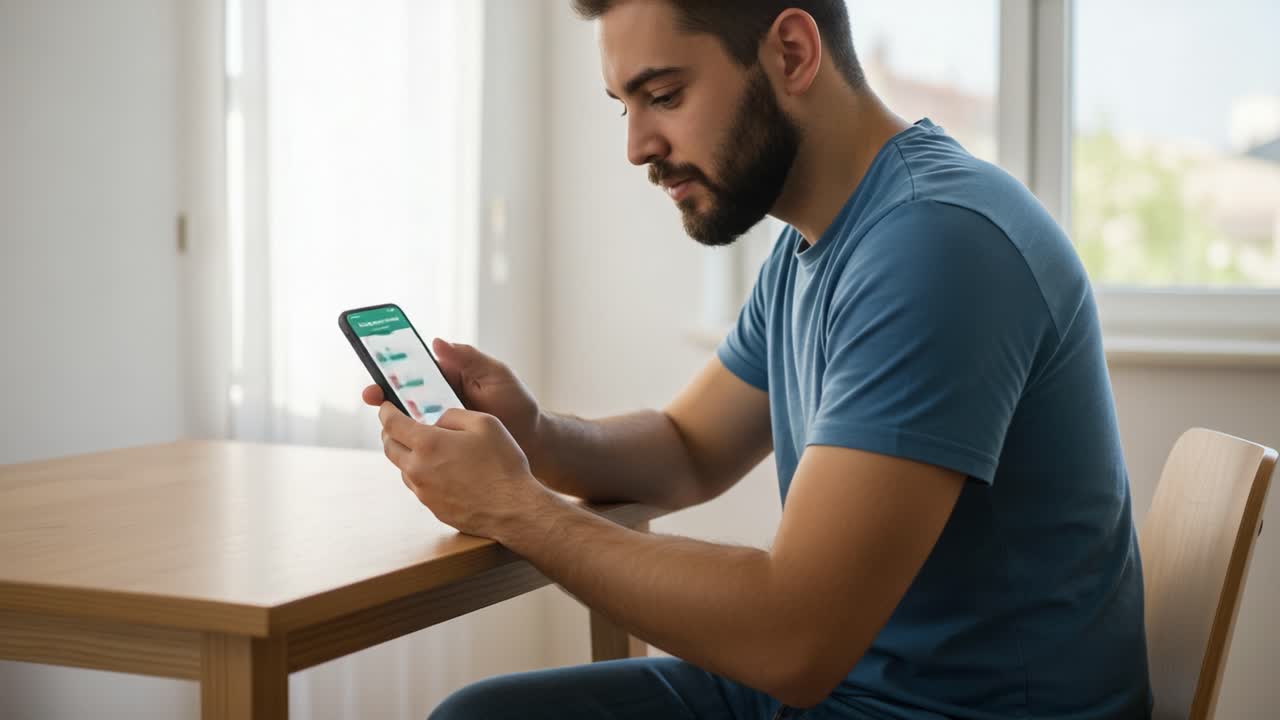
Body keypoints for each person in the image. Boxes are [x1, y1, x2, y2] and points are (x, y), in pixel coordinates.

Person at [363, 1, 1152, 718]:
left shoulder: (935, 245)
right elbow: (686, 448)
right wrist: (532, 435)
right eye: (626, 106)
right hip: (855, 691)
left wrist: (515, 506)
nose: (638, 146)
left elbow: (794, 639)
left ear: (793, 53)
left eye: (663, 96)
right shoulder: (817, 243)